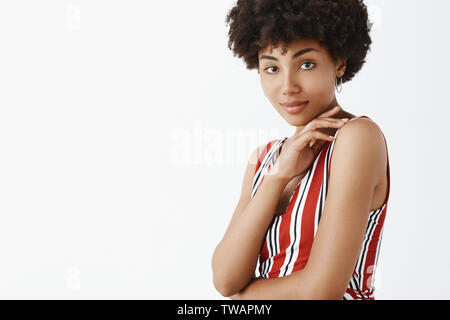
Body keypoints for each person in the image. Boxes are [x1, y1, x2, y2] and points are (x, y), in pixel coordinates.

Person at [211, 0, 390, 300]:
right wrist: (279, 176)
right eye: (271, 68)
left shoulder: (357, 139)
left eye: (306, 64)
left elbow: (319, 292)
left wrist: (244, 299)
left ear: (340, 62)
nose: (287, 86)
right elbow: (225, 279)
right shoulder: (263, 160)